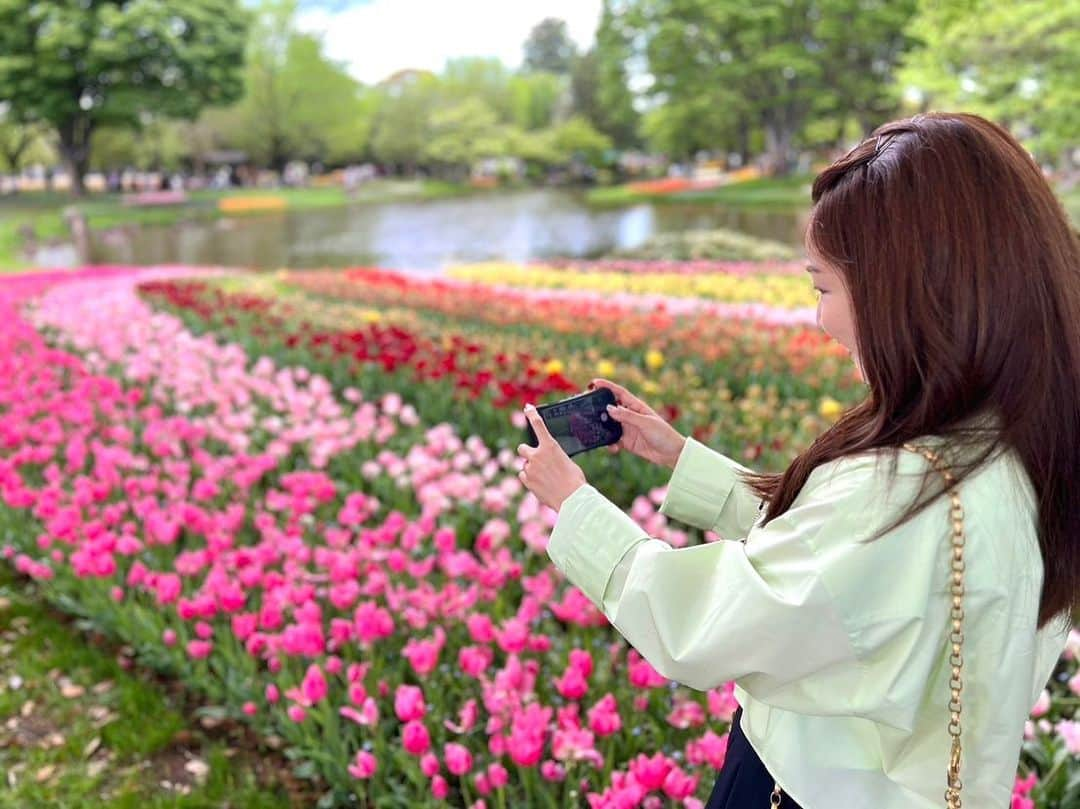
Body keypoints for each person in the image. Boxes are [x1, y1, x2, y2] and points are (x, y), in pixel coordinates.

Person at [516, 111, 1079, 808]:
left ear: (914, 292)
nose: (821, 320)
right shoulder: (1014, 444)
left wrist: (573, 503)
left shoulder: (905, 485)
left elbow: (706, 623)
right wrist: (681, 457)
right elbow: (853, 583)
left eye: (823, 287)